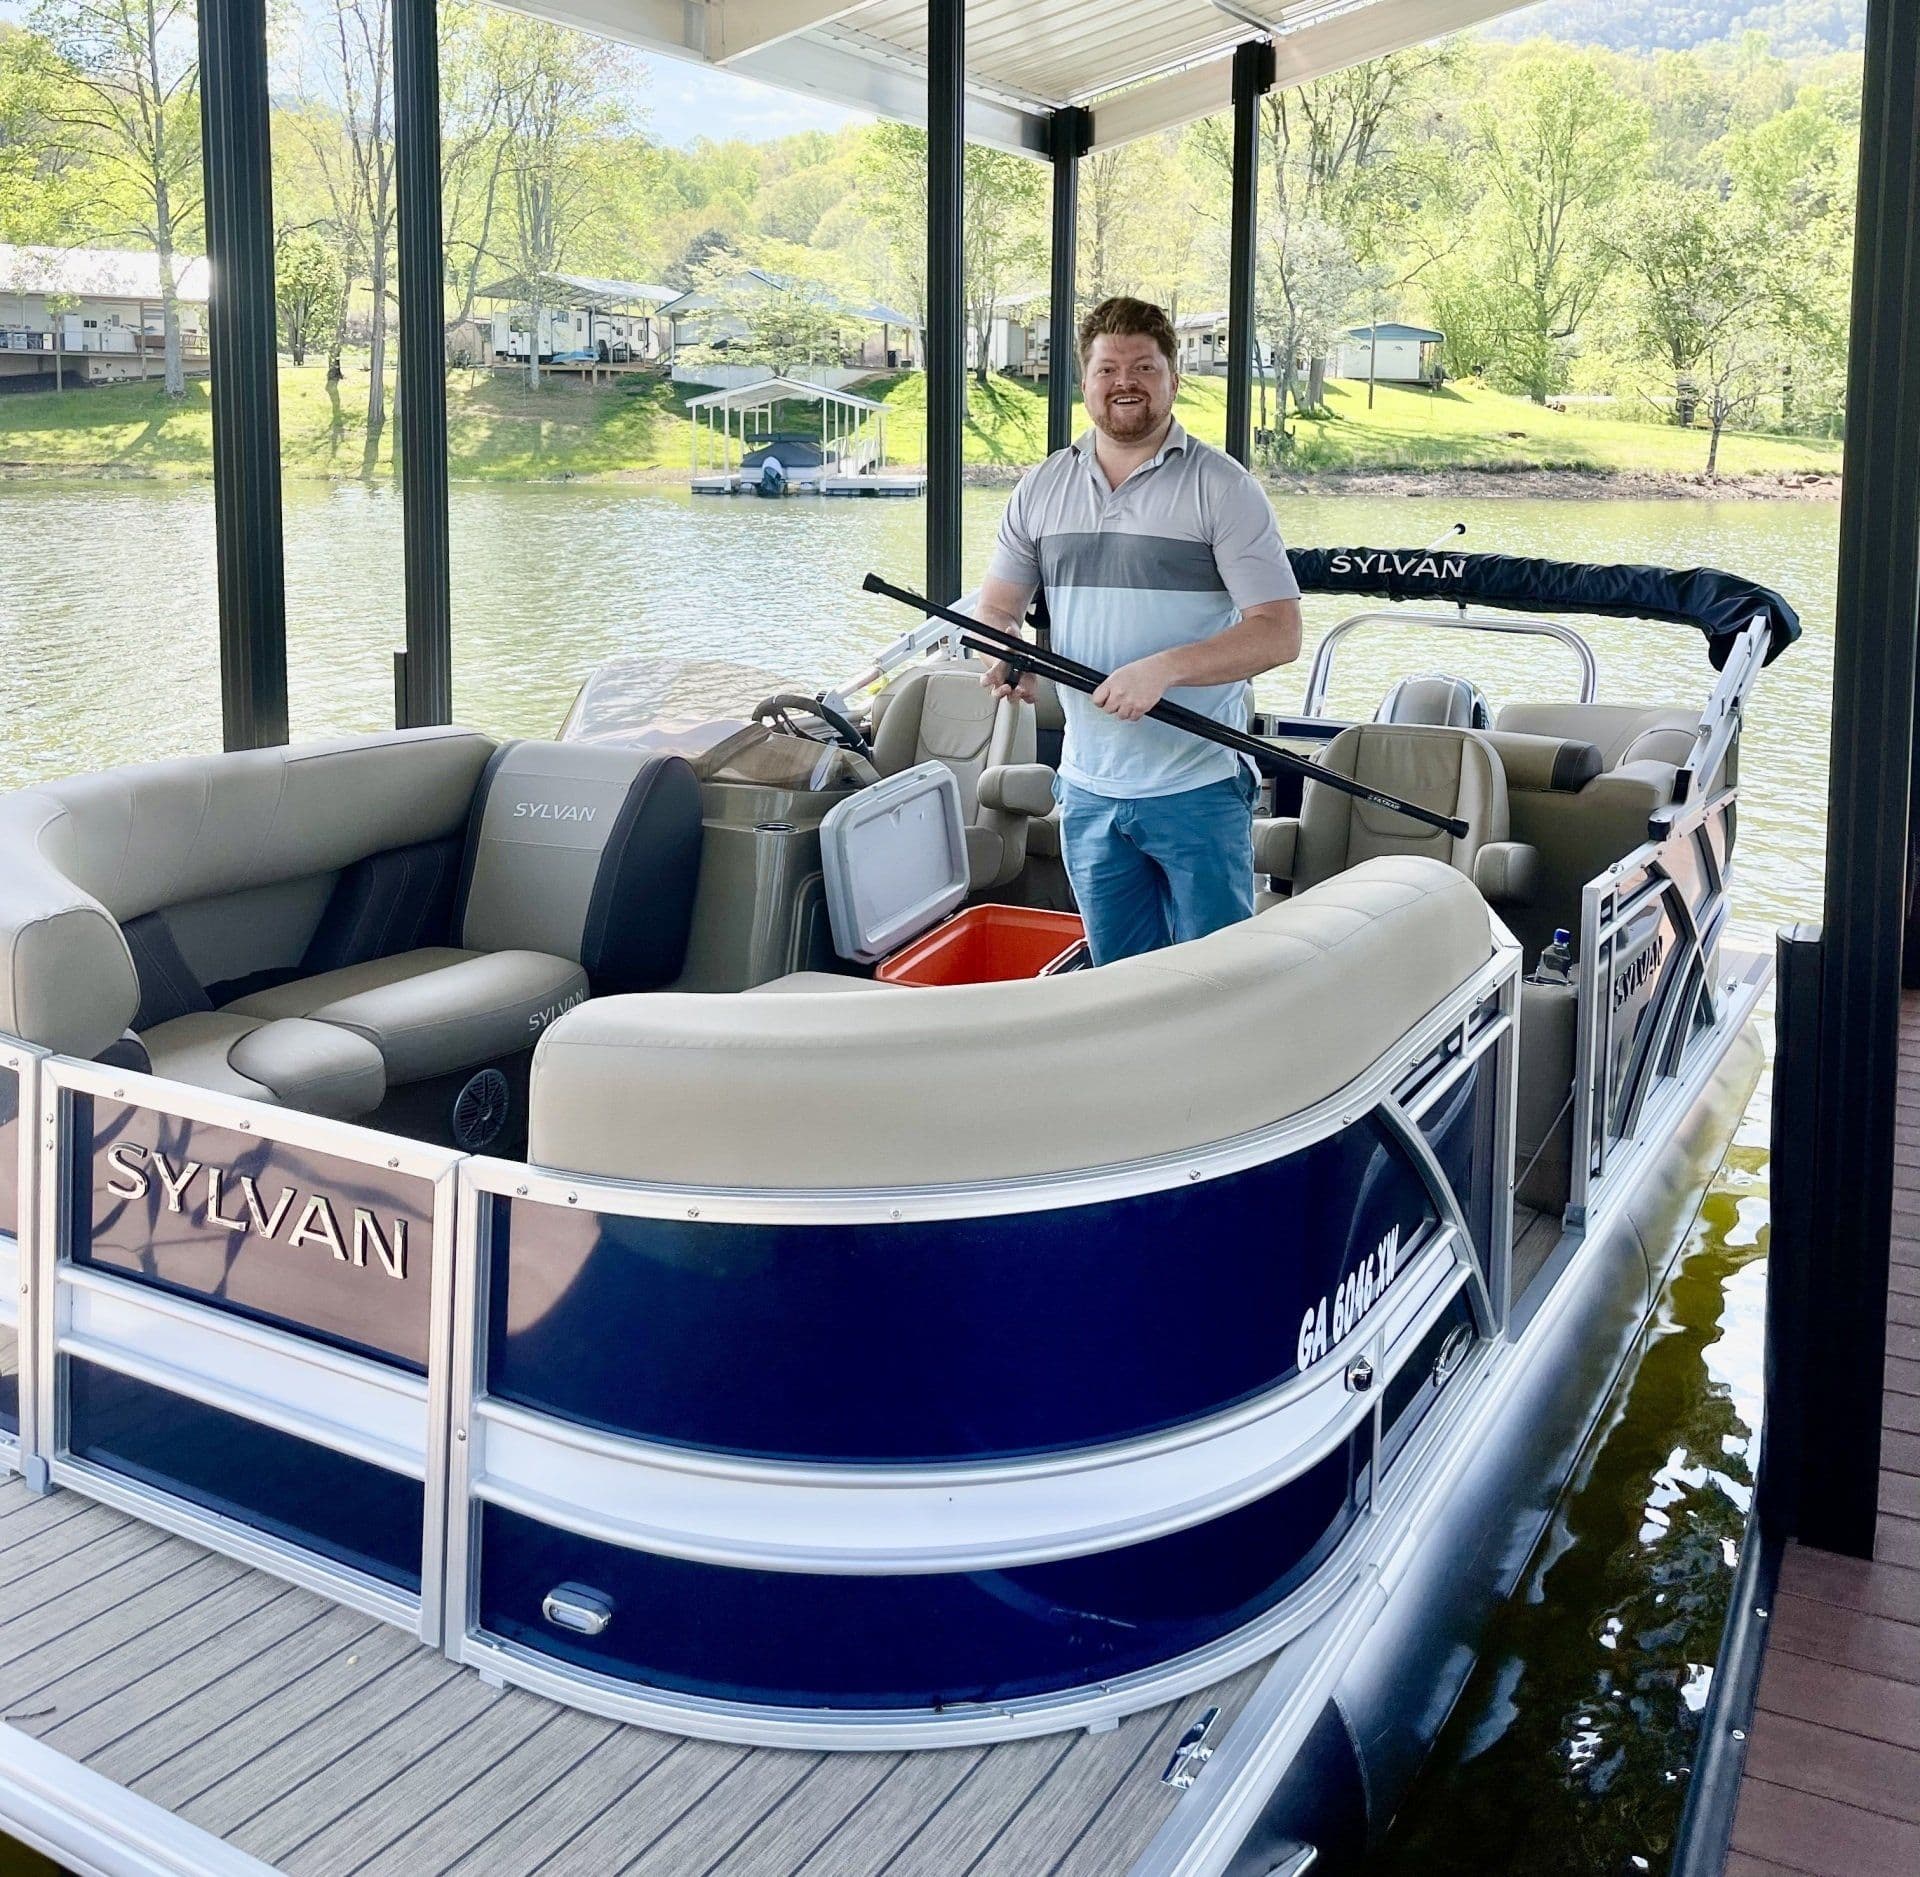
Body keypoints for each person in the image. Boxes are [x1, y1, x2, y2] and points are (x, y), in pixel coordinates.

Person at [974, 296, 1303, 964]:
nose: (1125, 380)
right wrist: (1006, 652)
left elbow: (1278, 632)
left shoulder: (1223, 487)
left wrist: (1165, 668)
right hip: (1088, 787)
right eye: (1107, 368)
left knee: (1217, 984)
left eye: (1144, 367)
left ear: (1173, 380)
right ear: (1085, 382)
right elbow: (995, 610)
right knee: (1119, 988)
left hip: (1199, 787)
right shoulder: (1041, 487)